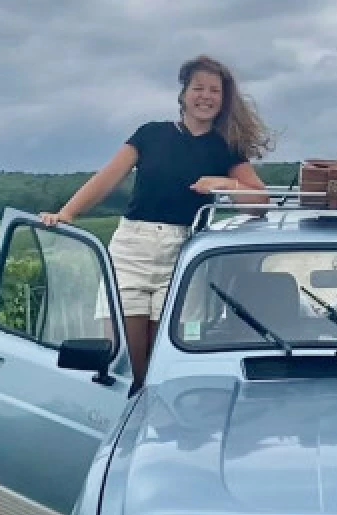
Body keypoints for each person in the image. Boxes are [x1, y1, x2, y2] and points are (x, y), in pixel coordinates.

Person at [41, 54, 272, 386]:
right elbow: (107, 179)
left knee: (164, 365)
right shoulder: (150, 135)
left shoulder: (225, 149)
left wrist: (225, 183)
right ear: (183, 94)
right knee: (125, 365)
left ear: (223, 100)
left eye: (214, 91)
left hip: (184, 255)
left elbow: (259, 204)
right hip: (132, 249)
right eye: (198, 88)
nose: (206, 96)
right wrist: (67, 213)